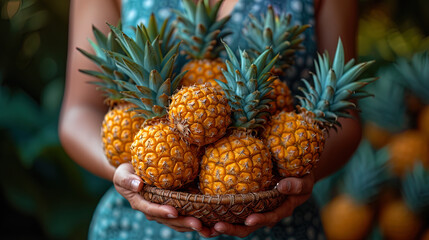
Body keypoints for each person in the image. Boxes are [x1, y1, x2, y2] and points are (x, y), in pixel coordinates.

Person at [59, 0, 360, 239]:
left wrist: (300, 177)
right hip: (135, 229)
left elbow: (347, 119)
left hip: (282, 227)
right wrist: (127, 176)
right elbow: (78, 112)